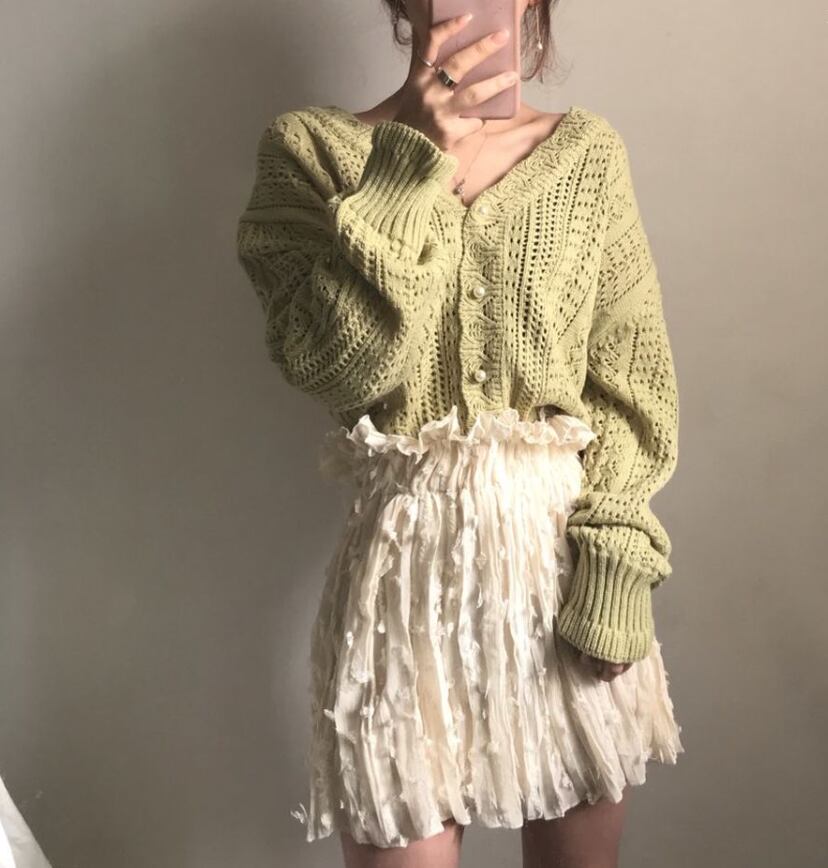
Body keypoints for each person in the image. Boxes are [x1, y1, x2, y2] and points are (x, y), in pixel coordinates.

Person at [236, 1, 683, 865]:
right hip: (399, 594)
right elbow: (335, 368)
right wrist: (406, 169)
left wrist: (620, 562)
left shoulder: (586, 158)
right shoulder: (309, 152)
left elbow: (633, 383)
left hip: (565, 574)